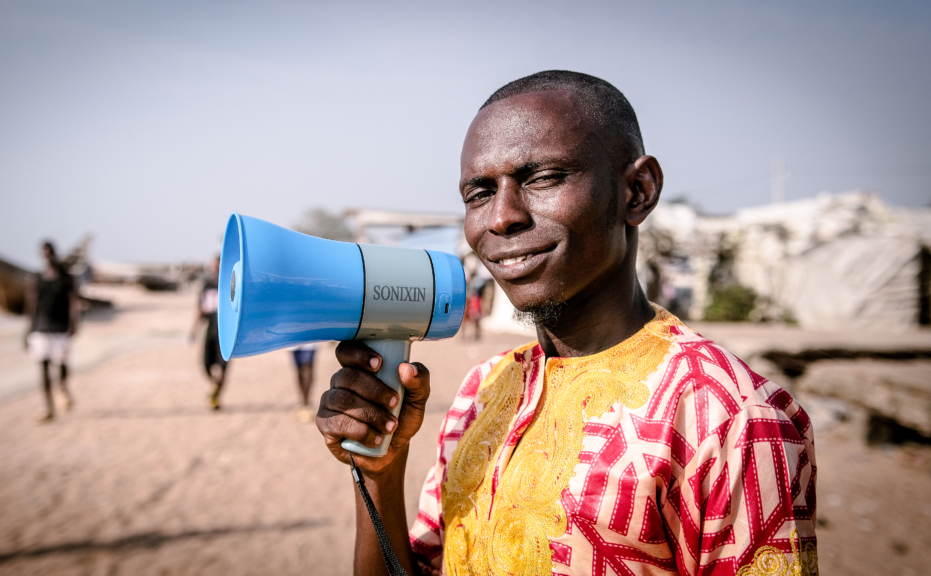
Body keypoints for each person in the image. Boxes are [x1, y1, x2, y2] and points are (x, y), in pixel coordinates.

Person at [315, 71, 817, 575]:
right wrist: (379, 472)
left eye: (543, 178)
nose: (502, 217)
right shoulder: (482, 391)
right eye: (479, 193)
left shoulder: (732, 417)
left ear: (637, 191)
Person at [25, 241, 79, 422]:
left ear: (54, 253)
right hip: (40, 328)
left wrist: (73, 322)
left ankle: (62, 387)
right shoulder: (38, 277)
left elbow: (73, 301)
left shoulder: (65, 278)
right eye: (44, 253)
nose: (47, 256)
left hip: (60, 327)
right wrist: (28, 329)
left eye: (50, 252)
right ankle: (49, 408)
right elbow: (32, 304)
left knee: (62, 364)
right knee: (43, 369)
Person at [190, 256, 228, 410]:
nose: (217, 268)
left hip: (226, 335)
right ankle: (214, 387)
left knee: (223, 367)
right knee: (206, 365)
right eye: (216, 266)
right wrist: (194, 330)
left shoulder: (230, 286)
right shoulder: (207, 285)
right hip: (210, 332)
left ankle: (216, 396)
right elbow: (200, 310)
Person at [290, 342, 319, 422]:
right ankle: (304, 402)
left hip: (308, 337)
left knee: (306, 367)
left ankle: (306, 404)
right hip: (293, 337)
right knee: (299, 369)